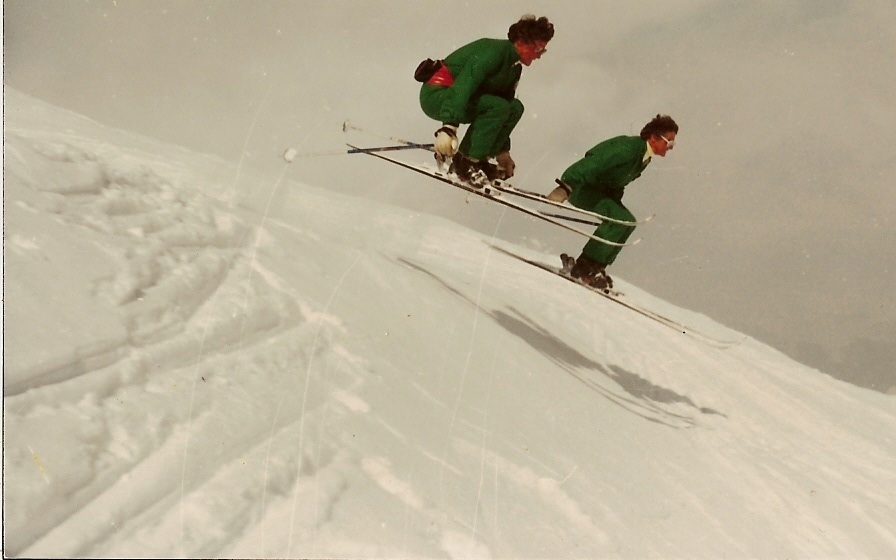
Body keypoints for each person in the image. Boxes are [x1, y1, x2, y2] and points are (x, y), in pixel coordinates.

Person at [546, 115, 679, 291]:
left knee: (627, 222)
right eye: (668, 142)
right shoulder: (628, 148)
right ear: (654, 137)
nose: (670, 148)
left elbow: (616, 183)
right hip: (582, 187)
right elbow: (594, 162)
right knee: (618, 218)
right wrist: (566, 186)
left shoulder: (644, 157)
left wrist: (614, 203)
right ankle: (585, 268)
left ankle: (597, 266)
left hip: (598, 192)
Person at [418, 15, 554, 184]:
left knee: (514, 107)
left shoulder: (513, 68)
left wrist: (502, 152)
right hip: (438, 95)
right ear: (521, 41)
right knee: (497, 107)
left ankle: (477, 160)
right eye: (538, 49)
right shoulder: (492, 53)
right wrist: (448, 128)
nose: (539, 56)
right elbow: (464, 85)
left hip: (459, 99)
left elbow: (505, 110)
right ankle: (465, 162)